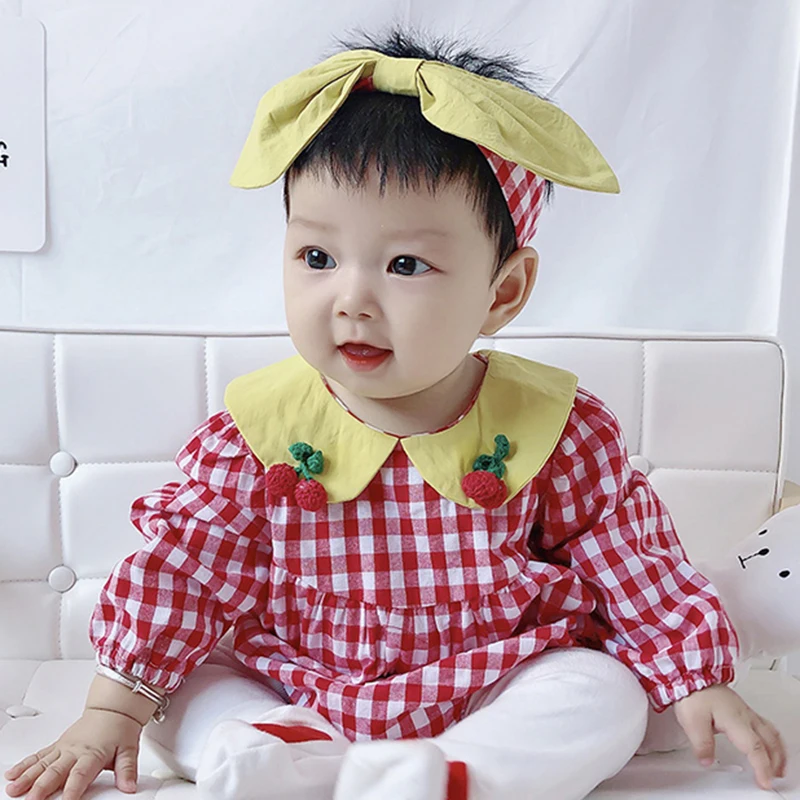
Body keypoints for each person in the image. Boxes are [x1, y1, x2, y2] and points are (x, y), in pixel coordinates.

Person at [4, 26, 788, 800]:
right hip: (296, 679)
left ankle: (453, 774)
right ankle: (274, 755)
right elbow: (185, 572)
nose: (351, 299)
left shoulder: (555, 430)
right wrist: (111, 711)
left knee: (601, 691)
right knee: (185, 692)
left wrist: (695, 676)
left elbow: (633, 563)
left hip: (493, 679)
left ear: (504, 291)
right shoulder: (259, 435)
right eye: (317, 257)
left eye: (405, 264)